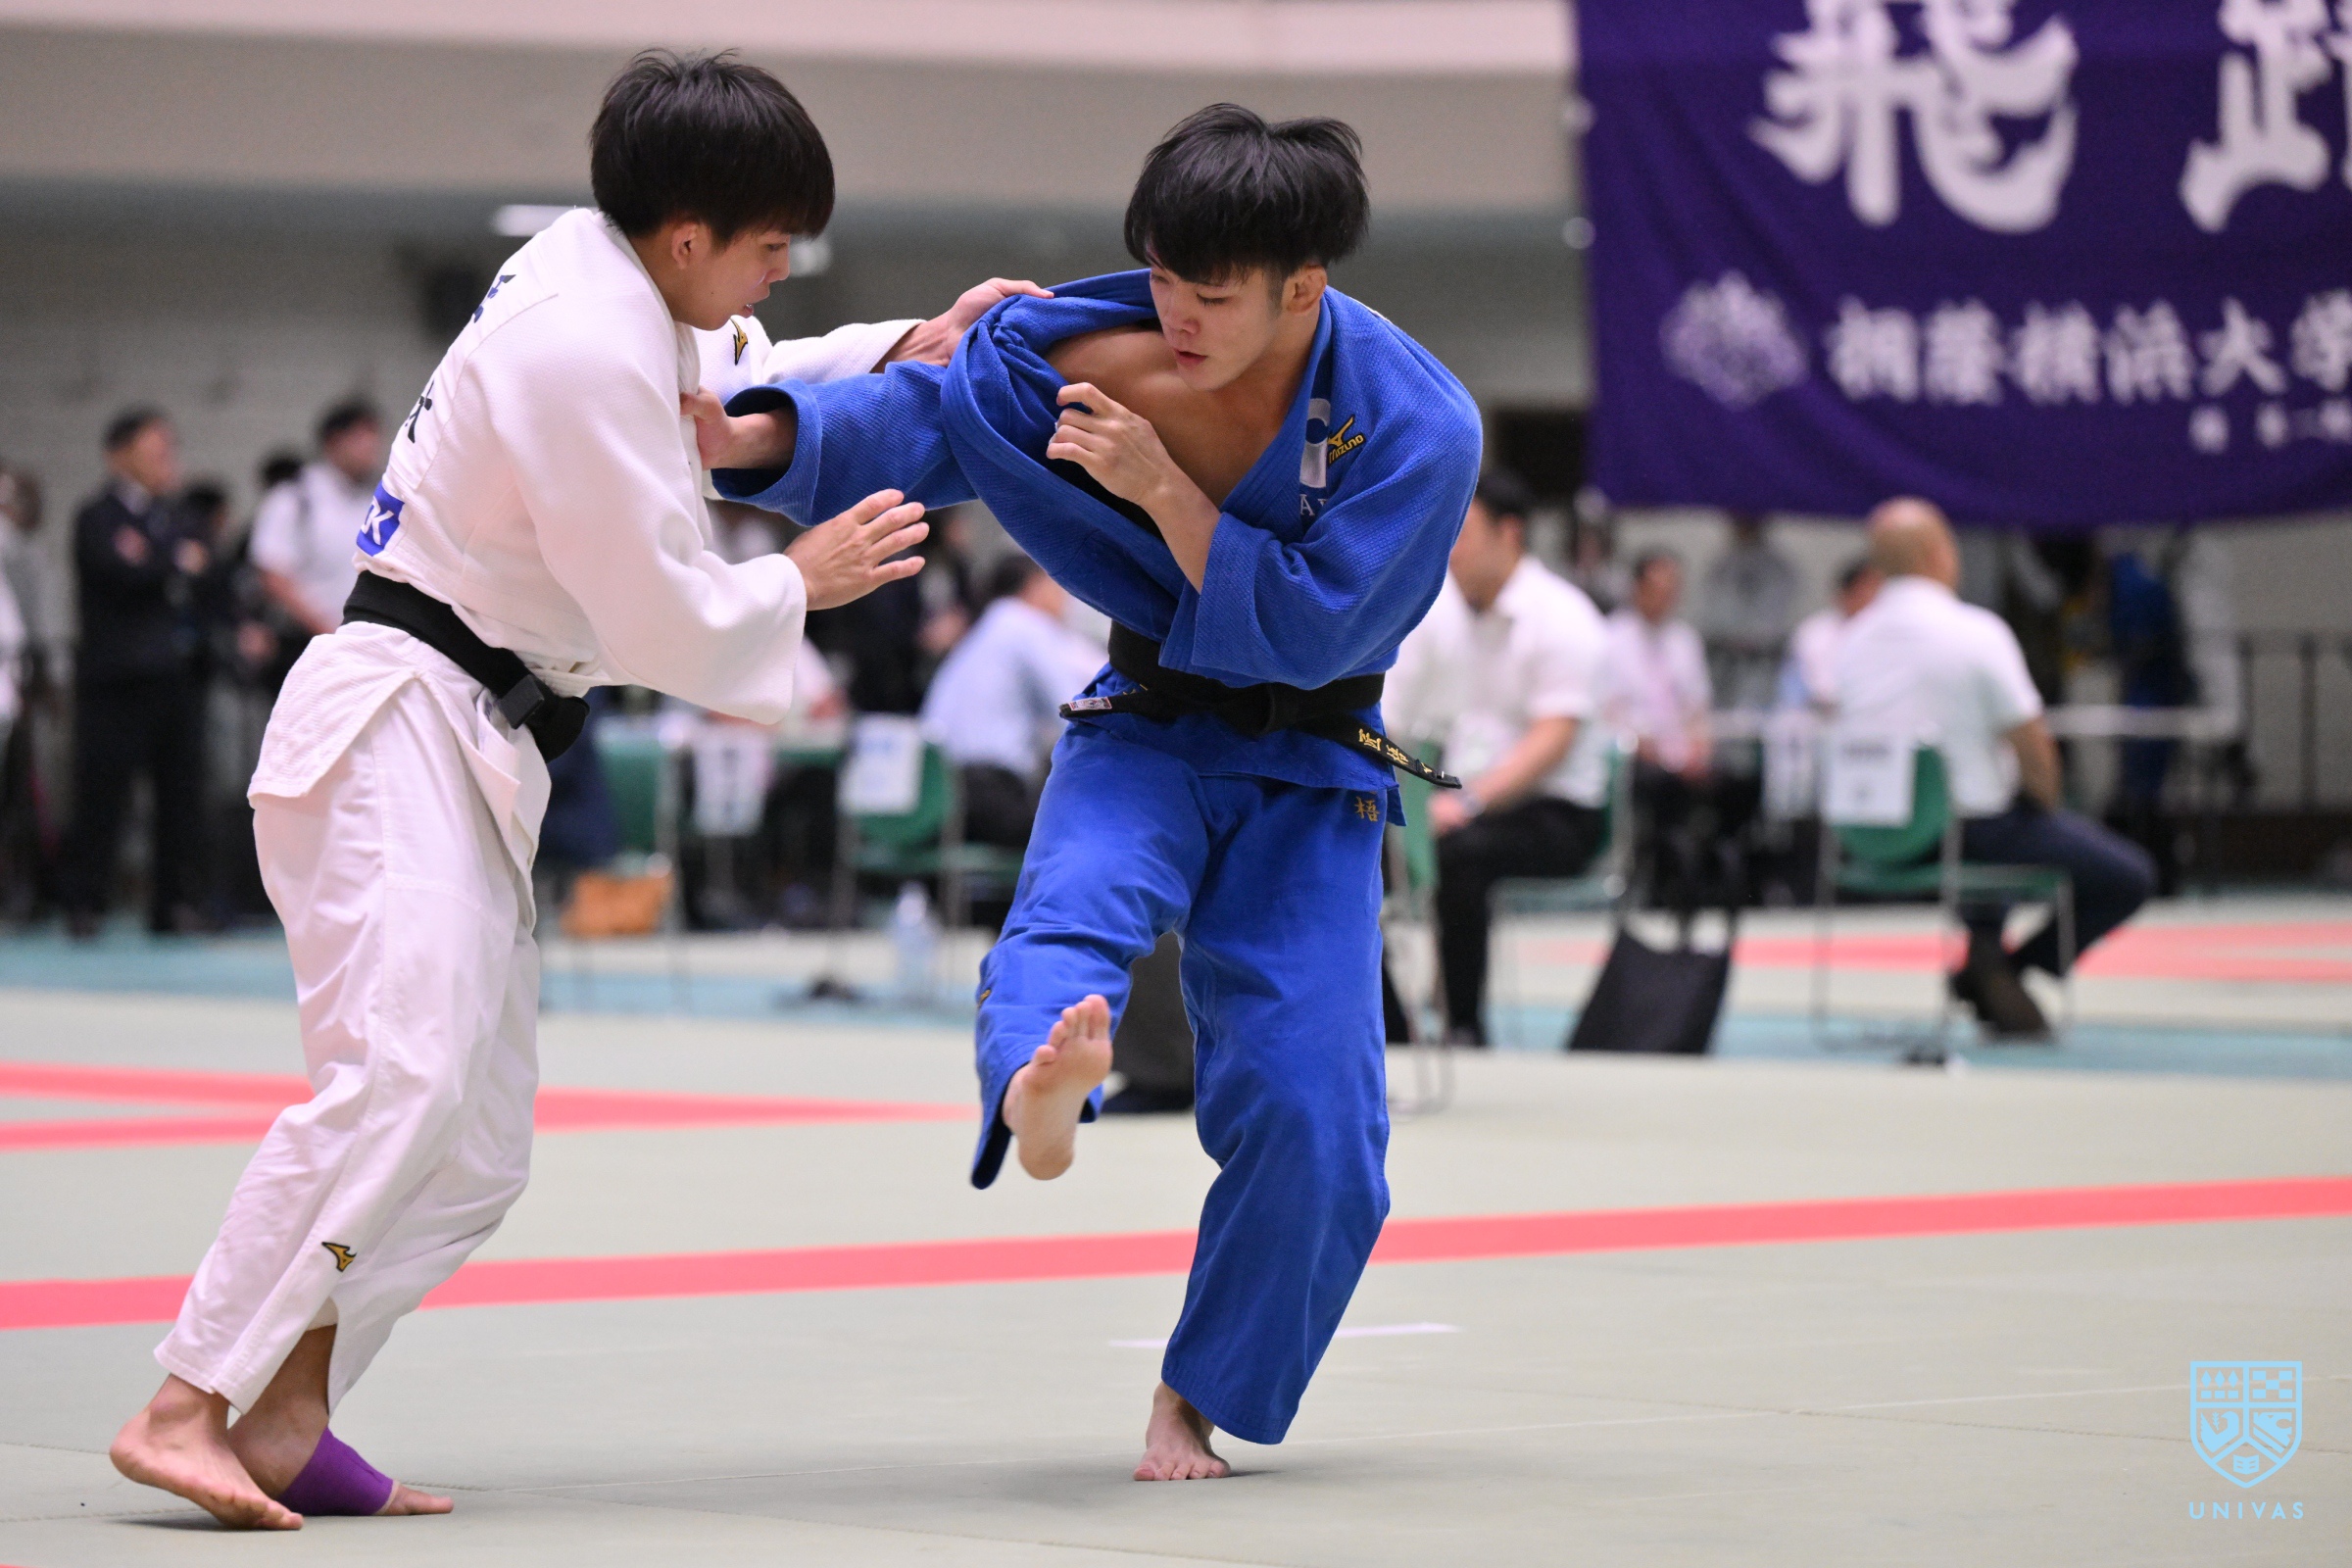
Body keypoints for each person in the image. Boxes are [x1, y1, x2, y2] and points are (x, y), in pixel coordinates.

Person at [108, 50, 1035, 1530]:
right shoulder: (580, 340)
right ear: (690, 234)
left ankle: (286, 1406)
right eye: (770, 245)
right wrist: (798, 578)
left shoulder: (623, 283)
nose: (778, 272)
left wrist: (906, 345)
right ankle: (184, 1401)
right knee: (402, 1076)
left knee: (477, 1148)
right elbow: (656, 614)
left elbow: (738, 377)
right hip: (396, 724)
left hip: (472, 736)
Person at [700, 104, 1480, 1480]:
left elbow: (1317, 632)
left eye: (1214, 293)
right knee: (1070, 917)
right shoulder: (1076, 355)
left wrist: (1168, 491)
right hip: (1148, 725)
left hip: (1315, 765)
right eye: (1163, 275)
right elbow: (931, 415)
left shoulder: (1420, 424)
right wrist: (749, 441)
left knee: (1320, 1125)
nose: (1179, 315)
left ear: (1304, 287)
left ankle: (1197, 1394)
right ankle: (1037, 1094)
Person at [1834, 498, 2155, 1038]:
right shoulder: (1976, 633)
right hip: (1966, 830)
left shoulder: (1850, 642)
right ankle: (2004, 967)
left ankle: (1986, 957)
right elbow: (2034, 747)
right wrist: (2043, 806)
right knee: (2124, 874)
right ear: (1938, 554)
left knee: (1990, 819)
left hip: (1869, 835)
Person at [1387, 466, 1608, 1045]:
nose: (1449, 549)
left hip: (1557, 813)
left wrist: (1469, 803)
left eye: (1462, 533)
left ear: (1509, 534)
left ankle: (1464, 1025)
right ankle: (1391, 1023)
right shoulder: (1450, 613)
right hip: (1465, 802)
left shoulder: (1561, 616)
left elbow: (1553, 737)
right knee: (1364, 850)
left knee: (1459, 856)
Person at [60, 409, 216, 938]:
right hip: (116, 678)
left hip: (175, 674)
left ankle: (173, 904)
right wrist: (172, 561)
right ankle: (85, 902)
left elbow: (204, 566)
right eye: (154, 451)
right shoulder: (96, 517)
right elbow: (120, 573)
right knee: (103, 793)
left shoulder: (177, 516)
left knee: (180, 795)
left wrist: (159, 558)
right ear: (120, 455)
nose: (166, 460)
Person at [918, 551, 1103, 849]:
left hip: (934, 796)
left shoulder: (987, 628)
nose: (1066, 599)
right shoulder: (1025, 623)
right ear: (1035, 584)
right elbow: (1076, 710)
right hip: (988, 791)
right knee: (1091, 832)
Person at [247, 401, 383, 663]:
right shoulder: (296, 496)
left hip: (361, 646)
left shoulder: (374, 498)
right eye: (360, 437)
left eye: (374, 436)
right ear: (334, 441)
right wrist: (328, 631)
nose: (371, 446)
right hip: (305, 643)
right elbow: (273, 572)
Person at [1693, 513, 1800, 710]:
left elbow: (1780, 616)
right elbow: (1712, 613)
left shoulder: (1777, 566)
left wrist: (1753, 637)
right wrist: (1726, 636)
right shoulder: (1722, 563)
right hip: (1724, 662)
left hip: (1763, 661)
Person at [1781, 556, 1882, 714]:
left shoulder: (1889, 633)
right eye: (1864, 591)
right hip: (1817, 718)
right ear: (1845, 593)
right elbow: (1811, 689)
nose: (1872, 599)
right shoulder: (1814, 632)